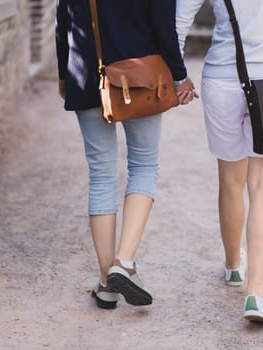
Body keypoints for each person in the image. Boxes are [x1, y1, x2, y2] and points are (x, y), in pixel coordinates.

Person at [176, 0, 263, 323]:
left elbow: (178, 21)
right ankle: (255, 294)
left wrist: (178, 77)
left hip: (222, 81)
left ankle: (232, 266)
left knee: (230, 180)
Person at [56, 0, 196, 309]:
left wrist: (64, 73)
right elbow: (163, 24)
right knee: (144, 165)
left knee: (101, 174)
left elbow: (63, 20)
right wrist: (179, 74)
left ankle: (108, 284)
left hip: (86, 75)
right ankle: (125, 262)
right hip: (140, 76)